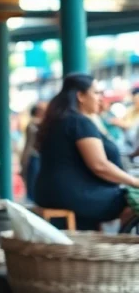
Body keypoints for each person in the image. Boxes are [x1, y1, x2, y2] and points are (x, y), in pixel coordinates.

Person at [35, 74, 138, 230]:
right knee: (133, 201)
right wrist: (135, 182)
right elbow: (99, 166)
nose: (100, 99)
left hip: (49, 192)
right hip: (71, 195)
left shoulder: (59, 120)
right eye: (96, 93)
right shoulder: (79, 122)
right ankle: (121, 246)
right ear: (81, 96)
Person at [21, 102, 46, 201]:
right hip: (33, 156)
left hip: (35, 157)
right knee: (33, 186)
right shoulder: (34, 123)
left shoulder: (38, 123)